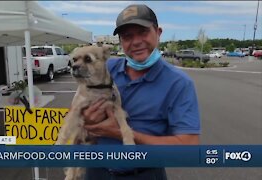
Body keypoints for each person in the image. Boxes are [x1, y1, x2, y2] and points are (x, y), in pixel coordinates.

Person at [82, 4, 201, 180]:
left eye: (143, 32)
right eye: (127, 36)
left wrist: (123, 133)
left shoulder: (178, 84)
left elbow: (188, 147)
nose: (136, 41)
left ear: (158, 33)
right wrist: (86, 118)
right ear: (121, 41)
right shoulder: (106, 69)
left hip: (143, 174)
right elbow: (77, 107)